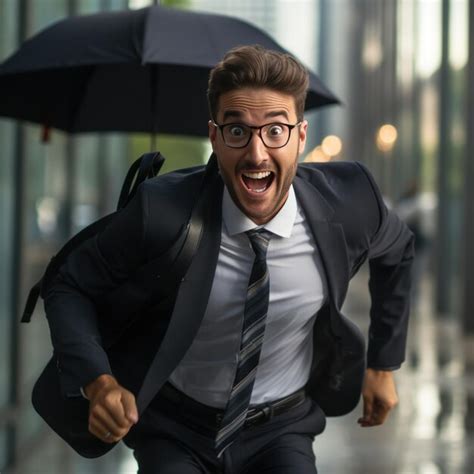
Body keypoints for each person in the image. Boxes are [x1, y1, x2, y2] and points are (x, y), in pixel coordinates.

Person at [43, 45, 414, 473]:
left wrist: (383, 364)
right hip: (175, 428)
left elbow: (399, 251)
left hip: (282, 426)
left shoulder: (350, 202)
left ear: (301, 136)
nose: (257, 155)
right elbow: (68, 284)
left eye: (275, 130)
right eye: (237, 131)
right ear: (215, 137)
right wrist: (99, 382)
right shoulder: (161, 213)